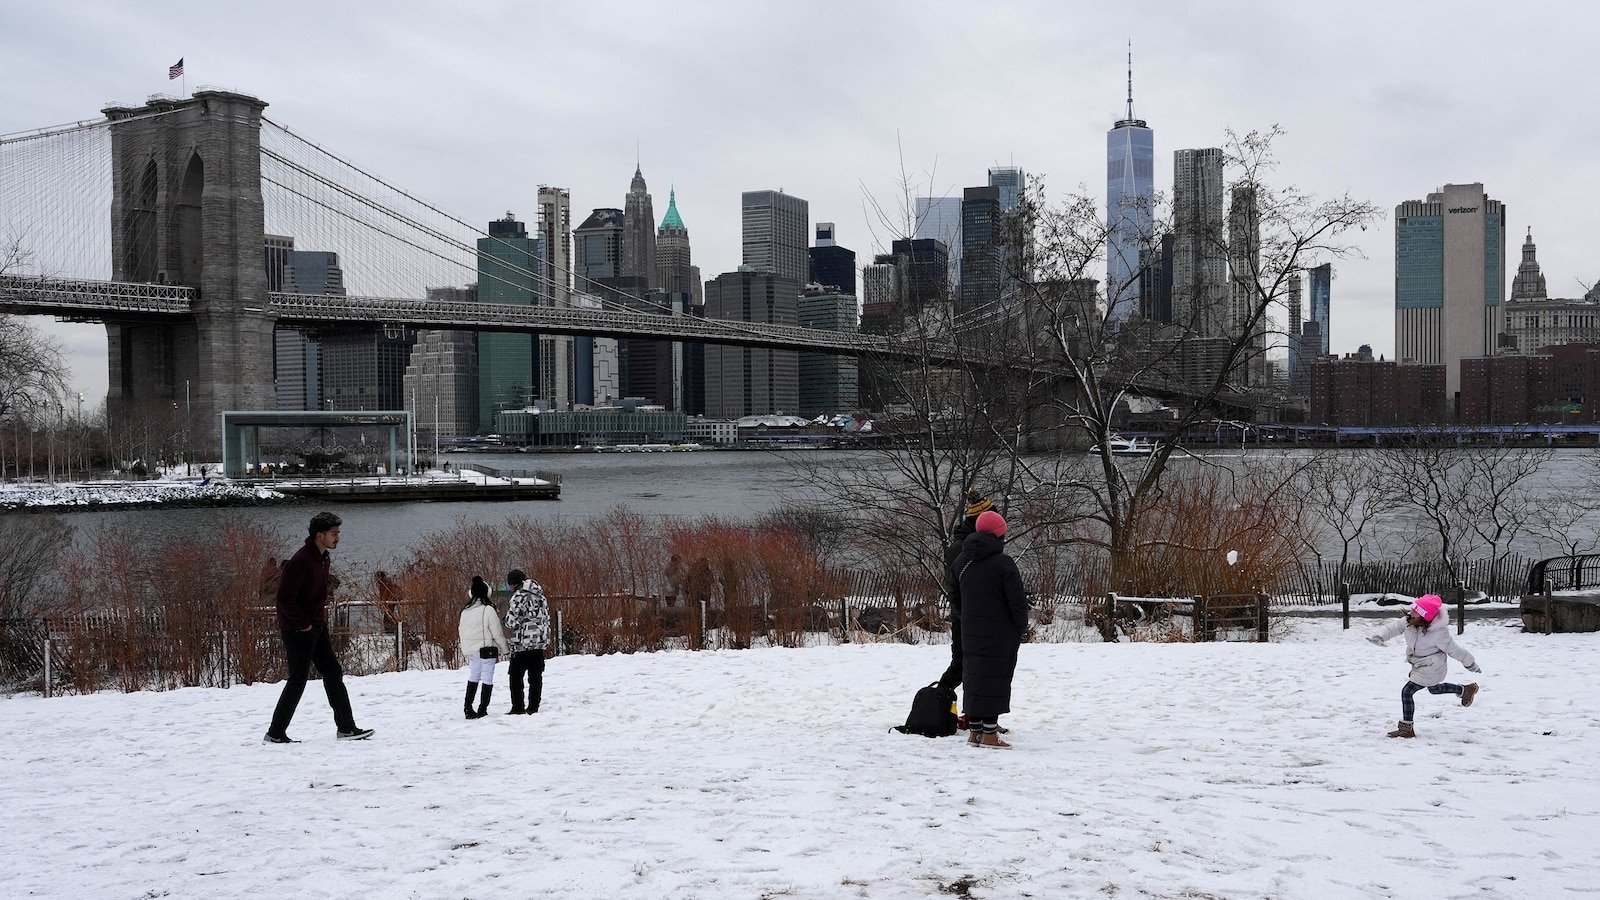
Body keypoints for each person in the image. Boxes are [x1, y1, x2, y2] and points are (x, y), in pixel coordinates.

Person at [264, 511, 374, 743]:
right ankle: (275, 733)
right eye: (334, 534)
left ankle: (346, 728)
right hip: (298, 629)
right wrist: (303, 624)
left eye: (338, 533)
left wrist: (316, 621)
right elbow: (284, 598)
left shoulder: (322, 558)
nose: (338, 537)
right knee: (298, 679)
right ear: (319, 535)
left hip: (316, 625)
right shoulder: (301, 560)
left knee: (333, 672)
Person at [951, 509, 1029, 749]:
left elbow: (954, 597)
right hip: (1000, 631)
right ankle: (990, 733)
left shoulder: (961, 561)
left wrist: (966, 619)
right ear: (998, 536)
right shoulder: (1003, 563)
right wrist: (1021, 627)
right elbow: (1017, 601)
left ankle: (976, 732)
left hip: (970, 630)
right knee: (995, 678)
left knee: (974, 677)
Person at [1367, 593, 1482, 738]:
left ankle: (1407, 728)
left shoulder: (1439, 633)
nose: (1411, 612)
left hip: (1433, 667)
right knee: (1434, 689)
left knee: (1407, 692)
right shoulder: (1409, 621)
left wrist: (1470, 663)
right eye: (1413, 608)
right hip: (1419, 664)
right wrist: (1380, 636)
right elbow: (1393, 627)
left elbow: (1454, 650)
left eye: (1416, 611)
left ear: (1425, 617)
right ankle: (1465, 690)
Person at [939, 491, 993, 694]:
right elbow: (959, 587)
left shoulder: (974, 544)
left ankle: (972, 713)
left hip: (971, 614)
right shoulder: (963, 548)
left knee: (972, 665)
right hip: (965, 616)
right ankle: (939, 700)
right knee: (962, 665)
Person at [459, 575, 509, 720]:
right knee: (487, 677)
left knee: (473, 676)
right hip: (486, 650)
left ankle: (467, 707)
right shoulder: (488, 610)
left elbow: (461, 630)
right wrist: (505, 649)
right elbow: (497, 633)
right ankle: (482, 709)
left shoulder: (465, 611)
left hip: (471, 651)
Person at [503, 568, 551, 714]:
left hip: (523, 643)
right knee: (535, 677)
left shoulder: (518, 597)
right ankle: (533, 707)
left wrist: (505, 621)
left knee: (516, 676)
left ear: (513, 584)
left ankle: (518, 707)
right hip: (539, 643)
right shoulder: (541, 597)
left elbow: (511, 621)